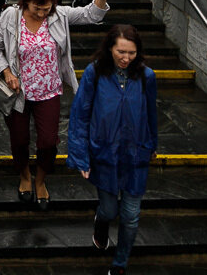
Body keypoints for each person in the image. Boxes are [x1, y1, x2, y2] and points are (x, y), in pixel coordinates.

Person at [0, 0, 131, 216]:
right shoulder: (11, 17)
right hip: (18, 93)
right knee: (19, 140)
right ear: (27, 2)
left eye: (47, 9)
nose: (43, 14)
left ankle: (41, 179)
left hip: (49, 91)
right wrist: (6, 72)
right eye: (37, 9)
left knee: (47, 142)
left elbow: (91, 15)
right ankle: (25, 175)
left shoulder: (59, 15)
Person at [68, 25, 158, 275]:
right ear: (110, 48)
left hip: (135, 153)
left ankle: (120, 264)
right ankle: (101, 222)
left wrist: (153, 144)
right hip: (104, 152)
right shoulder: (94, 73)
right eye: (121, 51)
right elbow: (80, 114)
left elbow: (151, 113)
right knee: (109, 209)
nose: (126, 58)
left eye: (131, 53)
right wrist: (80, 156)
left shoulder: (146, 76)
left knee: (130, 215)